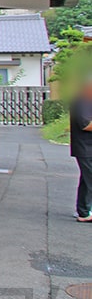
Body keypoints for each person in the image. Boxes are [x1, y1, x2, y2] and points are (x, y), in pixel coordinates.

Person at [69, 80, 92, 222]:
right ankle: (84, 212)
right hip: (84, 147)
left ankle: (83, 210)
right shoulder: (80, 102)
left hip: (89, 147)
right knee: (90, 178)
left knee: (87, 179)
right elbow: (86, 124)